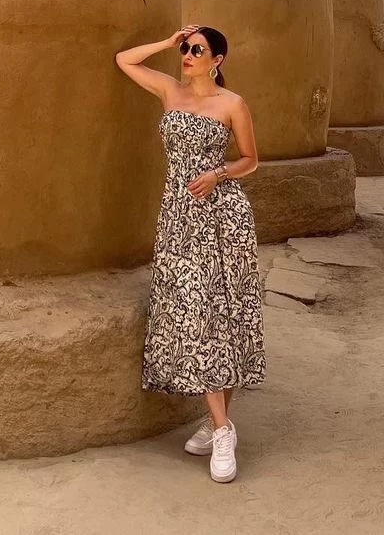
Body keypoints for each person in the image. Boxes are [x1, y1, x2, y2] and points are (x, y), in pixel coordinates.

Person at [115, 24, 266, 483]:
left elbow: (251, 159)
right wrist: (165, 42)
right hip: (179, 218)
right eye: (185, 48)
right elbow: (125, 60)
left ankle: (220, 429)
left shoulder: (232, 104)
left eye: (196, 49)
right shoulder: (170, 91)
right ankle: (221, 425)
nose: (188, 54)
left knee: (225, 313)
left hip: (223, 215)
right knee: (195, 310)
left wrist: (218, 174)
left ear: (217, 59)